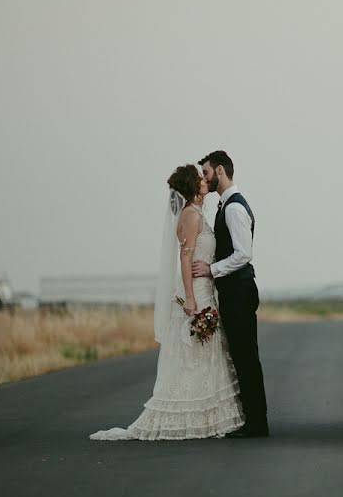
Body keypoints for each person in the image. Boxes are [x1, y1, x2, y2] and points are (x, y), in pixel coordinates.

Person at [89, 165, 244, 441]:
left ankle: (209, 414)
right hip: (196, 290)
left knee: (205, 353)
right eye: (200, 178)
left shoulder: (196, 213)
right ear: (192, 186)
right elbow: (185, 259)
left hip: (205, 286)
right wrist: (191, 298)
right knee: (195, 352)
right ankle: (191, 413)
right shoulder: (190, 216)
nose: (204, 180)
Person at [193, 150, 269, 438]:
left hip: (239, 291)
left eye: (207, 173)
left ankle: (257, 423)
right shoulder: (226, 205)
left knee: (246, 356)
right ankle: (254, 420)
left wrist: (211, 269)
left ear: (220, 171)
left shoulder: (235, 208)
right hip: (234, 291)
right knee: (241, 355)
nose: (205, 178)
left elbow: (243, 254)